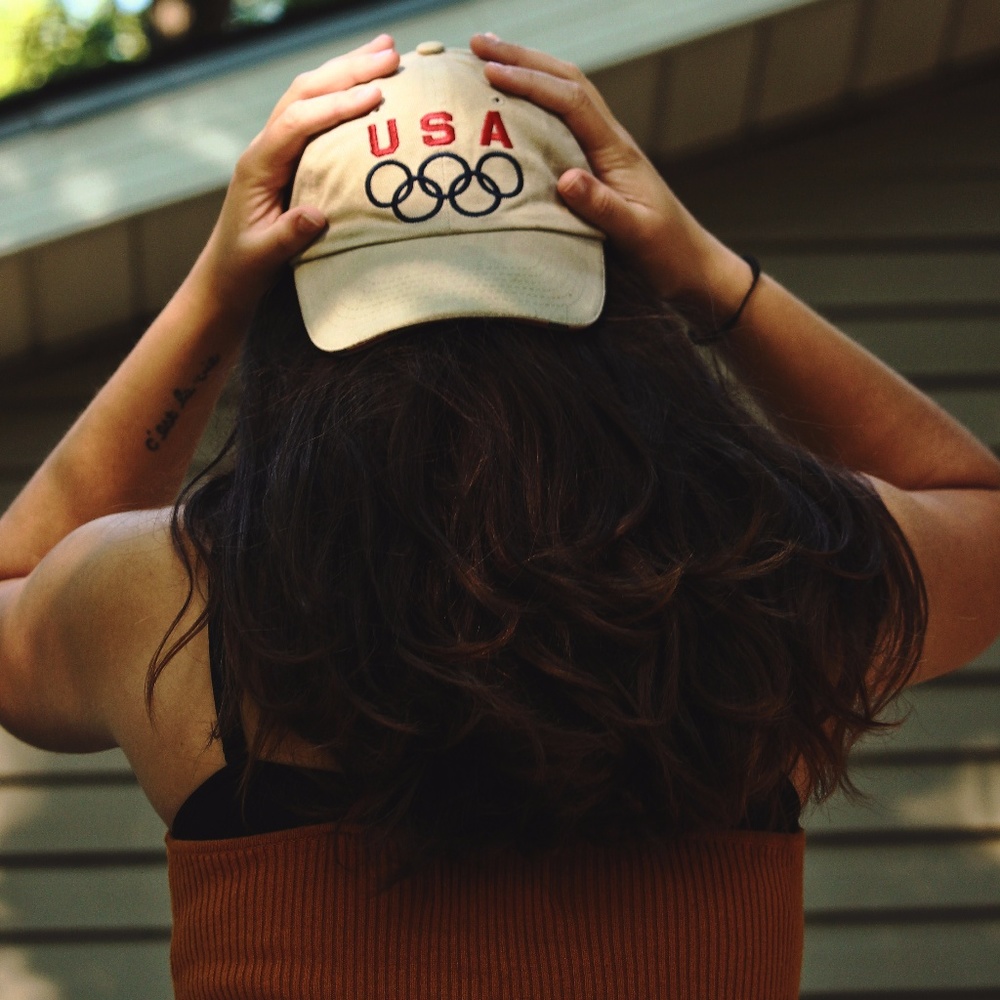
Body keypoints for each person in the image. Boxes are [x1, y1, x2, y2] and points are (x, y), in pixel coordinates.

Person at [1, 31, 999, 1000]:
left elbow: (14, 595)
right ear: (622, 312)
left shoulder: (173, 595)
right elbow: (978, 511)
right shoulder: (779, 570)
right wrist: (699, 266)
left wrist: (215, 293)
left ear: (294, 333)